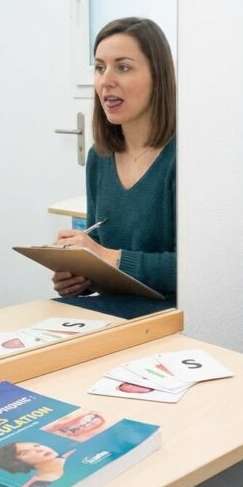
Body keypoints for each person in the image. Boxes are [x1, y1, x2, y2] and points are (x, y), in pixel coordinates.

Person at [51, 17, 176, 314]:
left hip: (171, 320)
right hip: (112, 312)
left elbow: (197, 270)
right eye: (99, 67)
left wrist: (105, 257)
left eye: (123, 67)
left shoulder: (183, 159)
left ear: (157, 77)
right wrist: (81, 275)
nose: (106, 80)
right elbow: (100, 246)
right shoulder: (99, 158)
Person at [0, 442, 76, 487]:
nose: (39, 449)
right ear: (16, 463)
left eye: (36, 445)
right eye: (25, 452)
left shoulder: (74, 453)